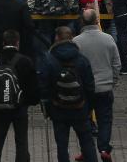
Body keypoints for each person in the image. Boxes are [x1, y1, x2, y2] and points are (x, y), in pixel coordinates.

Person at [39, 26, 99, 162]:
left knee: (62, 146)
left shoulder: (49, 59)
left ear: (57, 38)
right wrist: (89, 107)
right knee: (87, 143)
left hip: (58, 109)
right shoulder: (82, 59)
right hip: (80, 108)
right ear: (72, 38)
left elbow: (44, 87)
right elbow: (90, 86)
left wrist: (47, 108)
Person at [0, 29, 38, 162]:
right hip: (20, 109)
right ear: (18, 43)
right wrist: (26, 101)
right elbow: (34, 92)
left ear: (3, 43)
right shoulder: (25, 62)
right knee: (22, 143)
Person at [72, 8, 121, 160]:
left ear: (82, 22)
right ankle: (104, 149)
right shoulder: (108, 39)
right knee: (105, 120)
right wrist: (113, 80)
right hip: (104, 87)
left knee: (84, 121)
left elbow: (73, 66)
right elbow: (116, 63)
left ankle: (86, 149)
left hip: (84, 89)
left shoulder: (76, 42)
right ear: (96, 21)